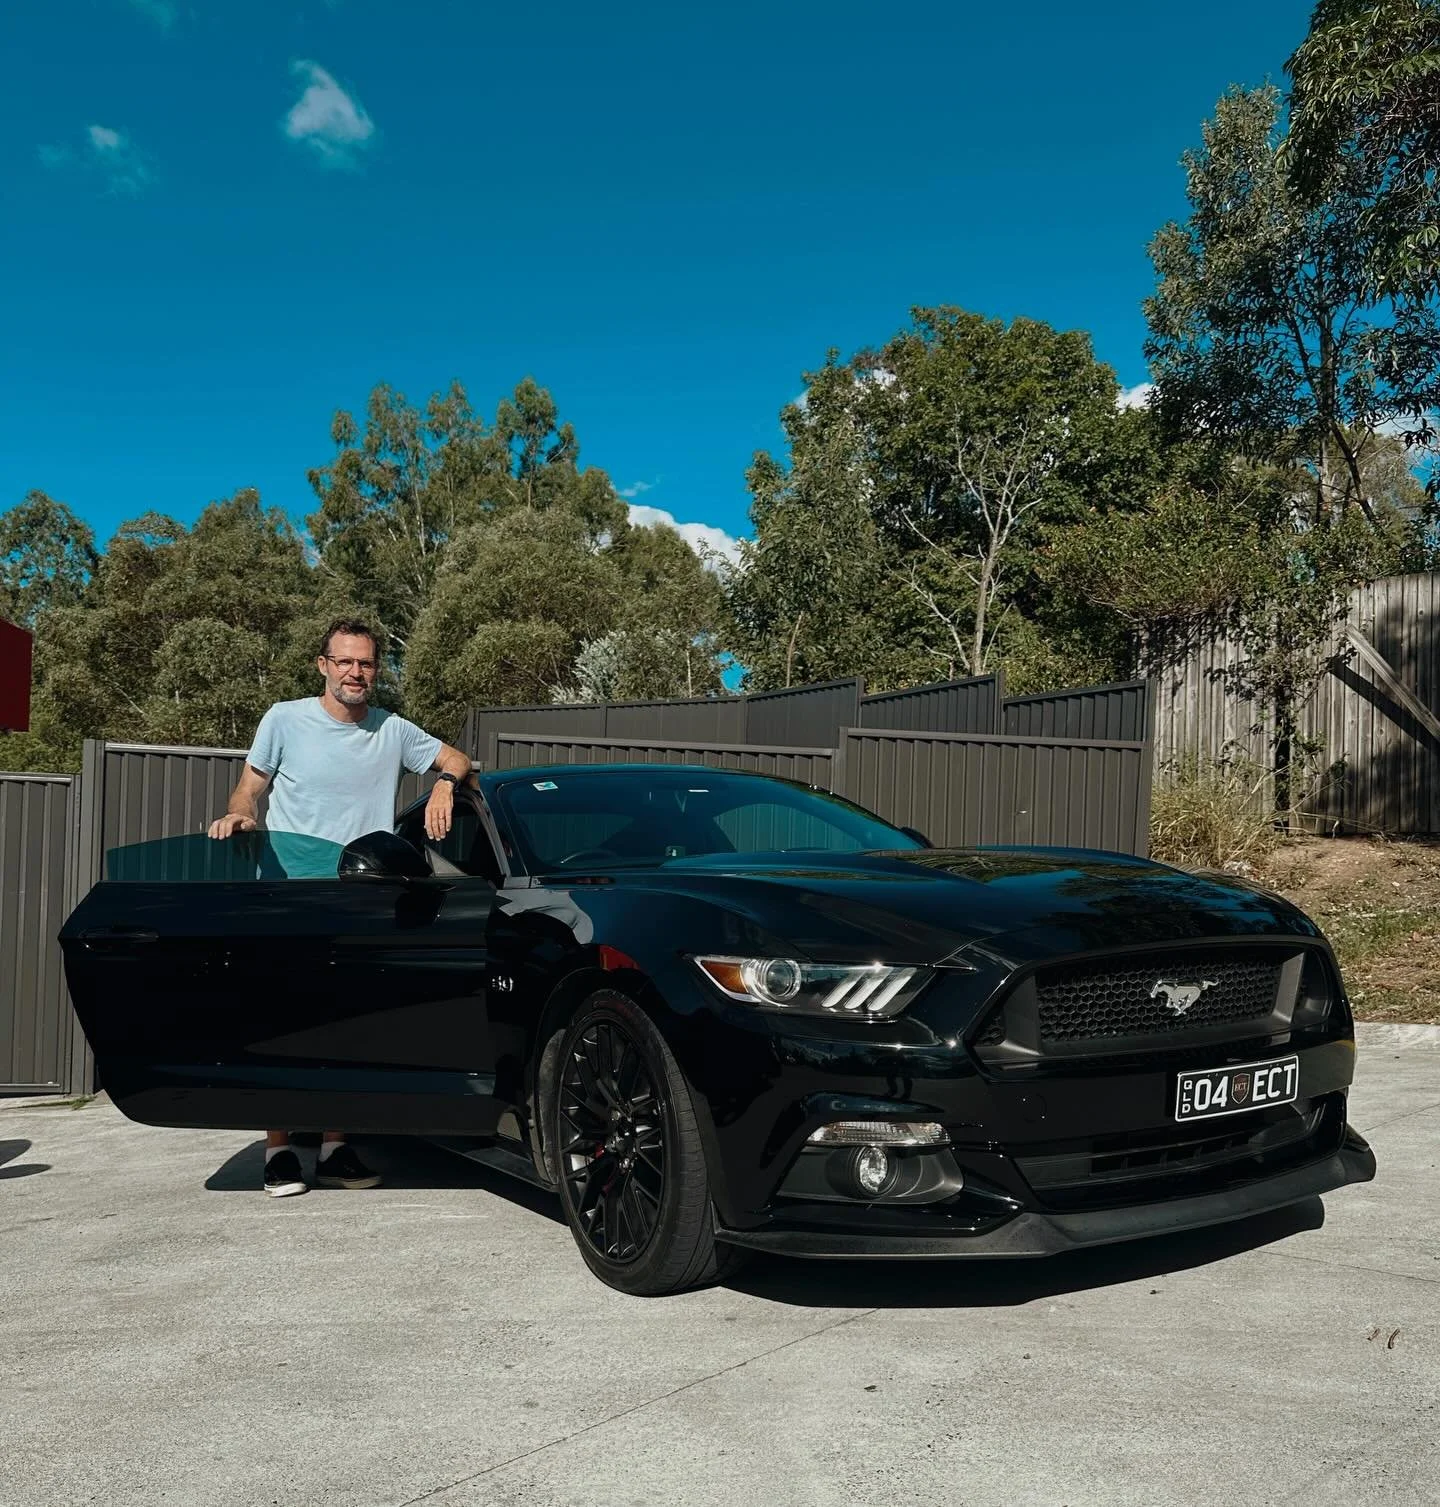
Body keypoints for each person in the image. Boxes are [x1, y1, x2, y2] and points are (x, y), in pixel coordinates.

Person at [207, 617, 472, 1198]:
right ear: (324, 665)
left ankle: (334, 1147)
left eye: (367, 663)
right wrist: (241, 814)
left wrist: (447, 785)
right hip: (292, 892)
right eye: (345, 661)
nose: (357, 672)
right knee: (286, 1020)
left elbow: (458, 758)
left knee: (349, 1021)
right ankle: (278, 1149)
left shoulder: (393, 731)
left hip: (364, 898)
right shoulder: (284, 719)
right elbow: (250, 785)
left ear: (377, 670)